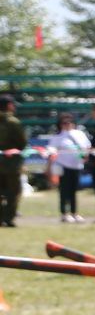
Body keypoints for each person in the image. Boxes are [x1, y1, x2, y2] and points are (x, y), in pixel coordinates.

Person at [49, 112, 91, 223]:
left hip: (77, 166)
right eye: (64, 123)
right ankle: (64, 213)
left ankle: (74, 212)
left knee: (74, 191)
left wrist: (85, 155)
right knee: (64, 191)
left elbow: (86, 147)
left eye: (69, 122)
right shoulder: (57, 137)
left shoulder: (80, 134)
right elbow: (51, 149)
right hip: (64, 166)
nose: (67, 125)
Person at [0, 94, 26, 227]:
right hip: (11, 164)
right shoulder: (13, 122)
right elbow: (22, 143)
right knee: (13, 192)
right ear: (9, 105)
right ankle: (8, 218)